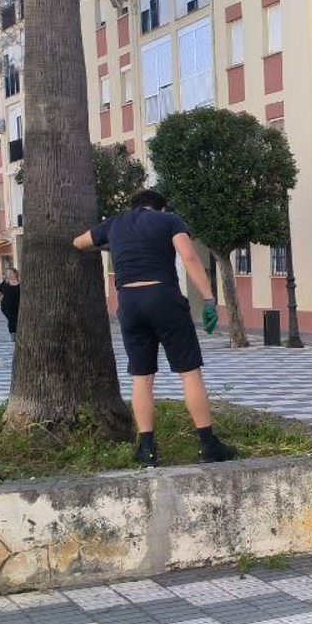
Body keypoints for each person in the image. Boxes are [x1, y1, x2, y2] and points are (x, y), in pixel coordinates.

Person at [72, 189, 235, 466]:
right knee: (189, 373)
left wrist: (109, 244)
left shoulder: (115, 223)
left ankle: (147, 449)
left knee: (142, 377)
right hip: (163, 297)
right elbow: (190, 257)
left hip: (129, 303)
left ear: (134, 206)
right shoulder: (169, 220)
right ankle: (208, 445)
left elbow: (79, 242)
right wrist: (208, 299)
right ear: (160, 208)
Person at [0, 267, 21, 339]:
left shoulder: (21, 283)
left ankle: (16, 332)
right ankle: (13, 333)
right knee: (12, 318)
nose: (8, 275)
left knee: (16, 319)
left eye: (10, 273)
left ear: (15, 274)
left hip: (17, 306)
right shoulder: (4, 283)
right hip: (6, 306)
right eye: (7, 273)